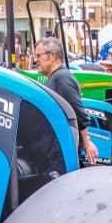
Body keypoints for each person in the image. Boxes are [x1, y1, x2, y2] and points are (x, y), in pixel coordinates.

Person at [34, 37, 98, 165]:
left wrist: (86, 141)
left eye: (38, 55)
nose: (36, 60)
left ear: (52, 55)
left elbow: (79, 113)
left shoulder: (61, 78)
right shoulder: (57, 77)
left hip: (60, 153)